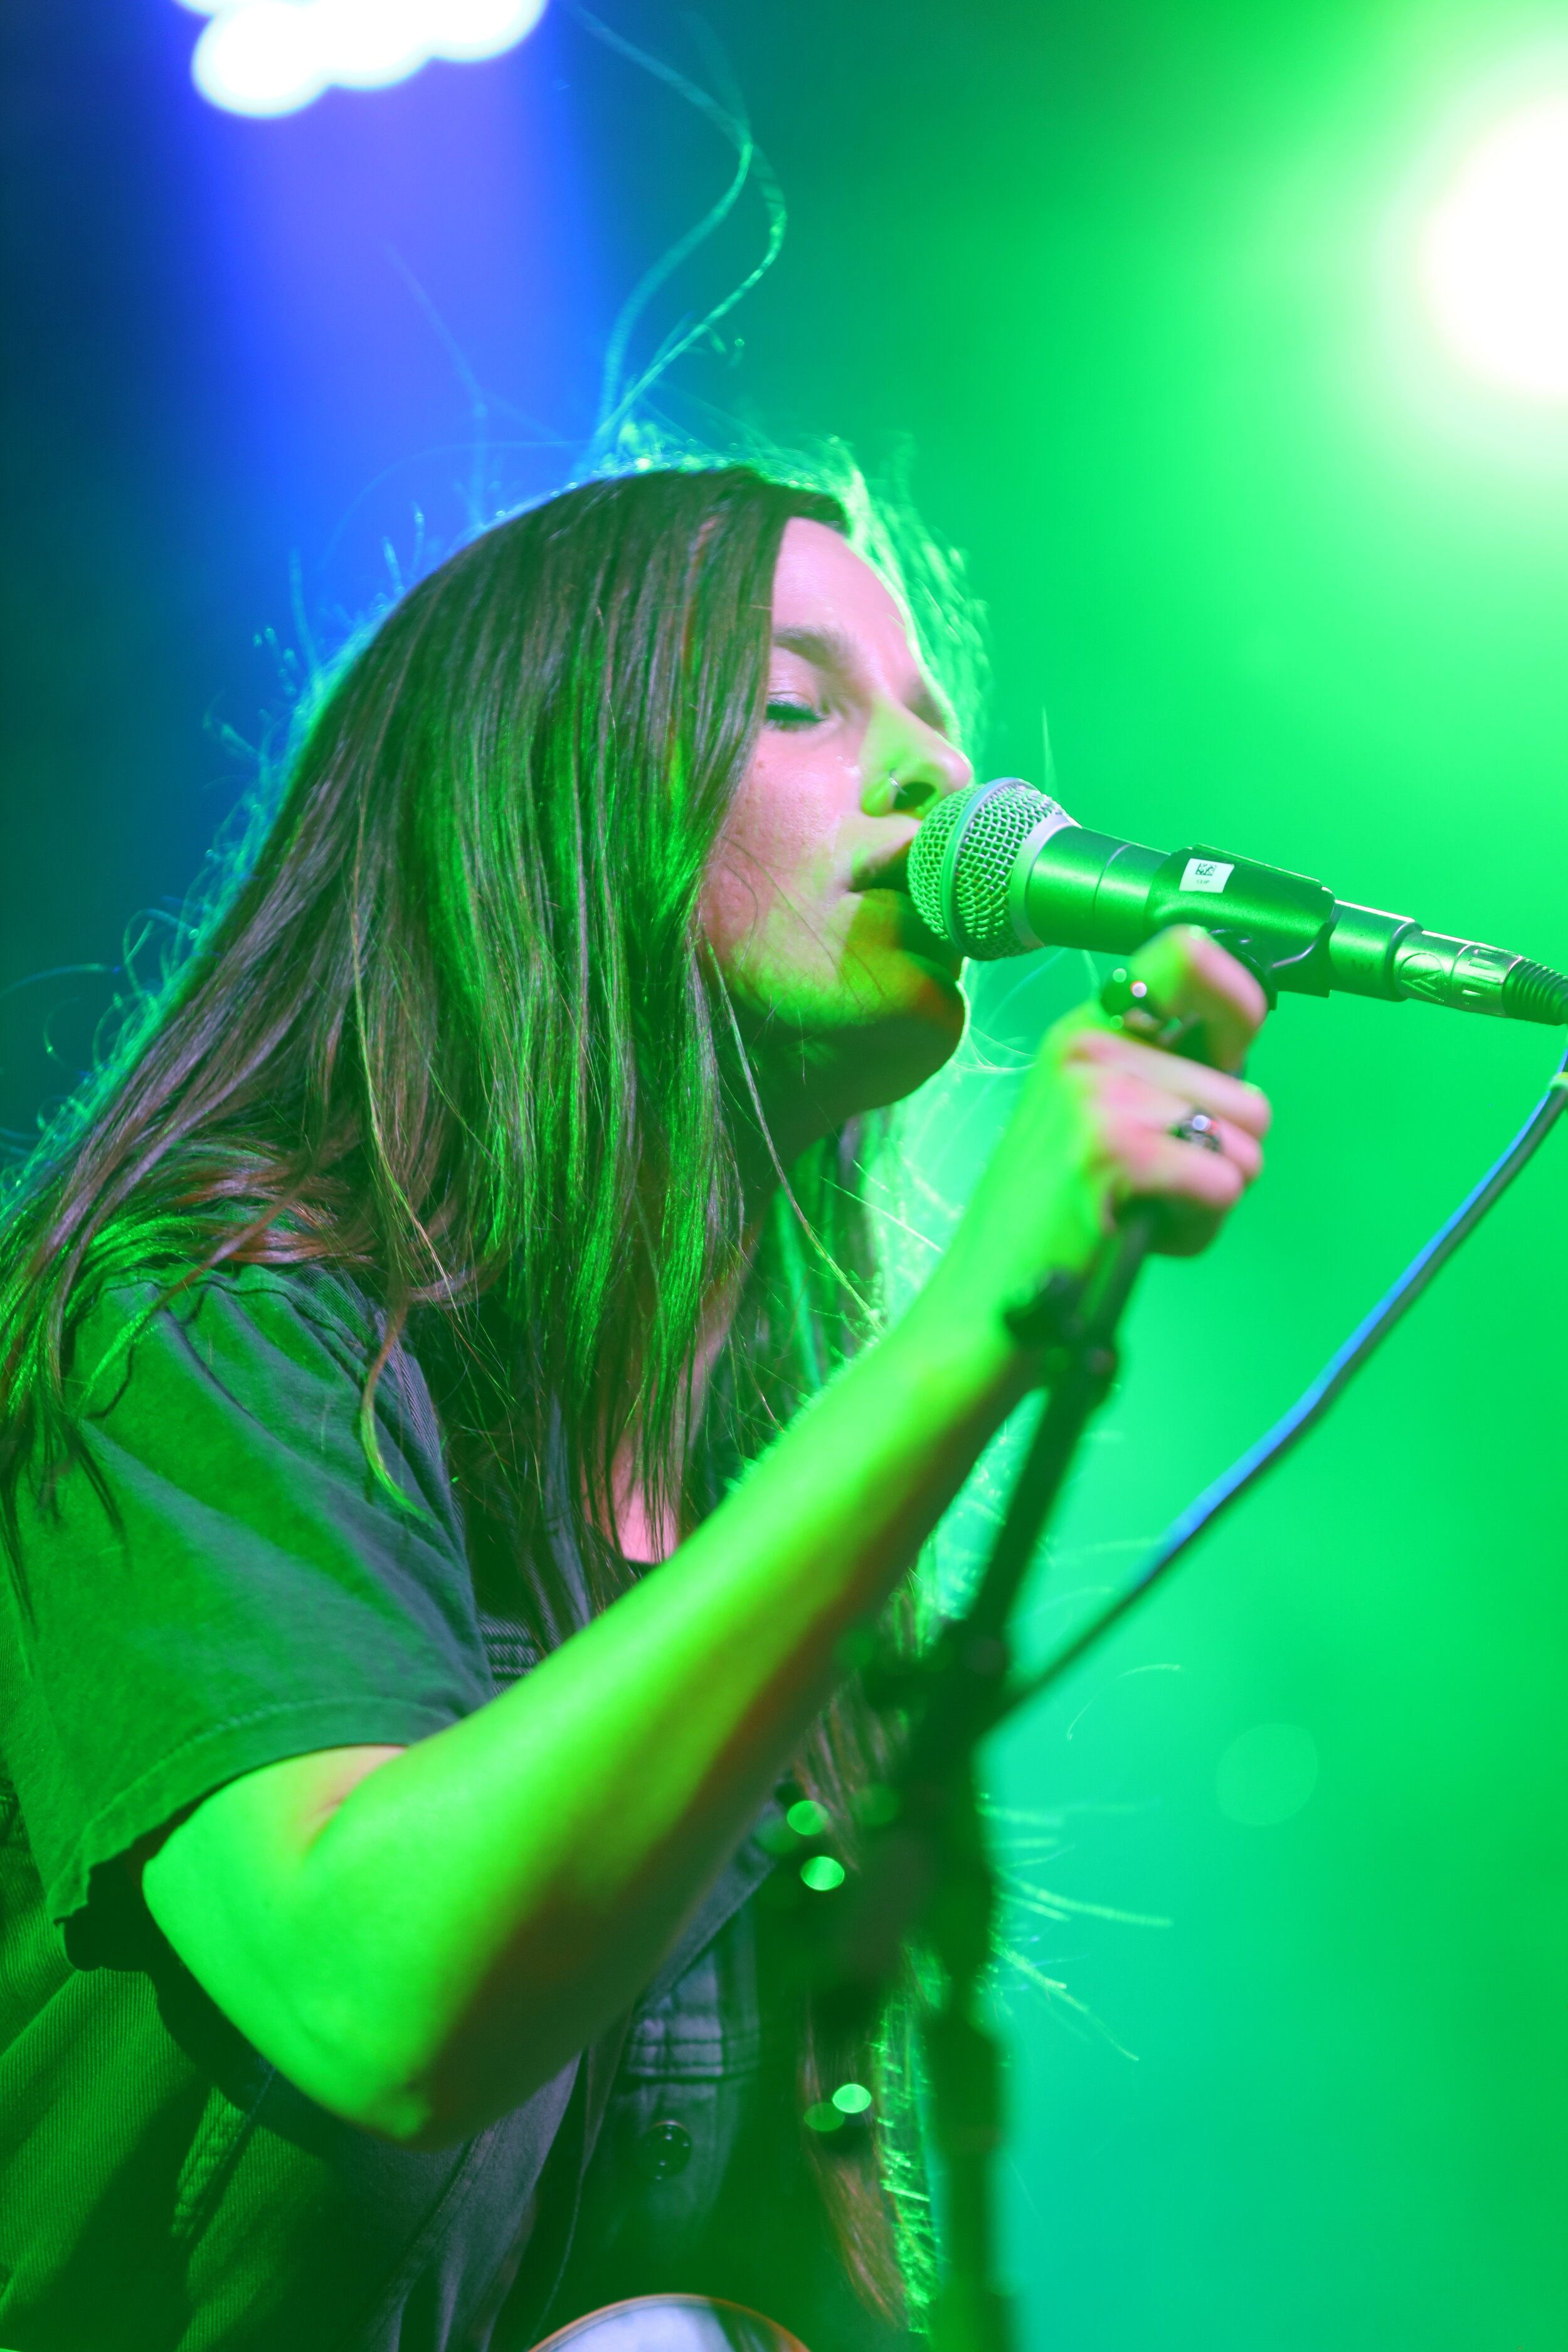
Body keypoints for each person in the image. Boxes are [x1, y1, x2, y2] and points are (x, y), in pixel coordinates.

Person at [0, 464, 1270, 2351]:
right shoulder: (207, 1316)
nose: (942, 785)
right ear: (544, 802)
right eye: (799, 706)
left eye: (935, 719)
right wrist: (968, 1334)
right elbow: (373, 2000)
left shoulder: (742, 1488)